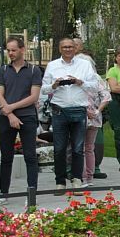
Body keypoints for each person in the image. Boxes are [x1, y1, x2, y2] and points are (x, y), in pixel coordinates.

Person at [41, 37, 101, 186]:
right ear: (60, 49)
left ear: (75, 48)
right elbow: (43, 89)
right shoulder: (52, 65)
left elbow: (94, 86)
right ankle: (60, 181)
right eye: (64, 47)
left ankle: (77, 179)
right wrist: (54, 85)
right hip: (59, 110)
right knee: (59, 148)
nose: (68, 49)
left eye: (70, 47)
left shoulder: (85, 64)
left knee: (78, 148)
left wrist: (80, 82)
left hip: (78, 110)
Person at [0, 36, 42, 194]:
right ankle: (3, 192)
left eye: (14, 50)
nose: (11, 53)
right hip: (6, 117)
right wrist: (10, 114)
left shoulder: (34, 70)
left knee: (30, 156)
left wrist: (11, 107)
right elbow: (0, 94)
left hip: (27, 116)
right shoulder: (3, 70)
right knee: (6, 157)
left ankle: (32, 193)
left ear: (22, 49)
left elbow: (34, 96)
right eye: (8, 50)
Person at [83, 74, 109, 185]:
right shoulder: (97, 79)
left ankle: (83, 177)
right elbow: (106, 97)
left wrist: (88, 111)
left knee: (81, 149)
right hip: (95, 117)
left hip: (80, 117)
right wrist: (98, 111)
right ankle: (89, 177)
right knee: (89, 148)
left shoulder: (78, 79)